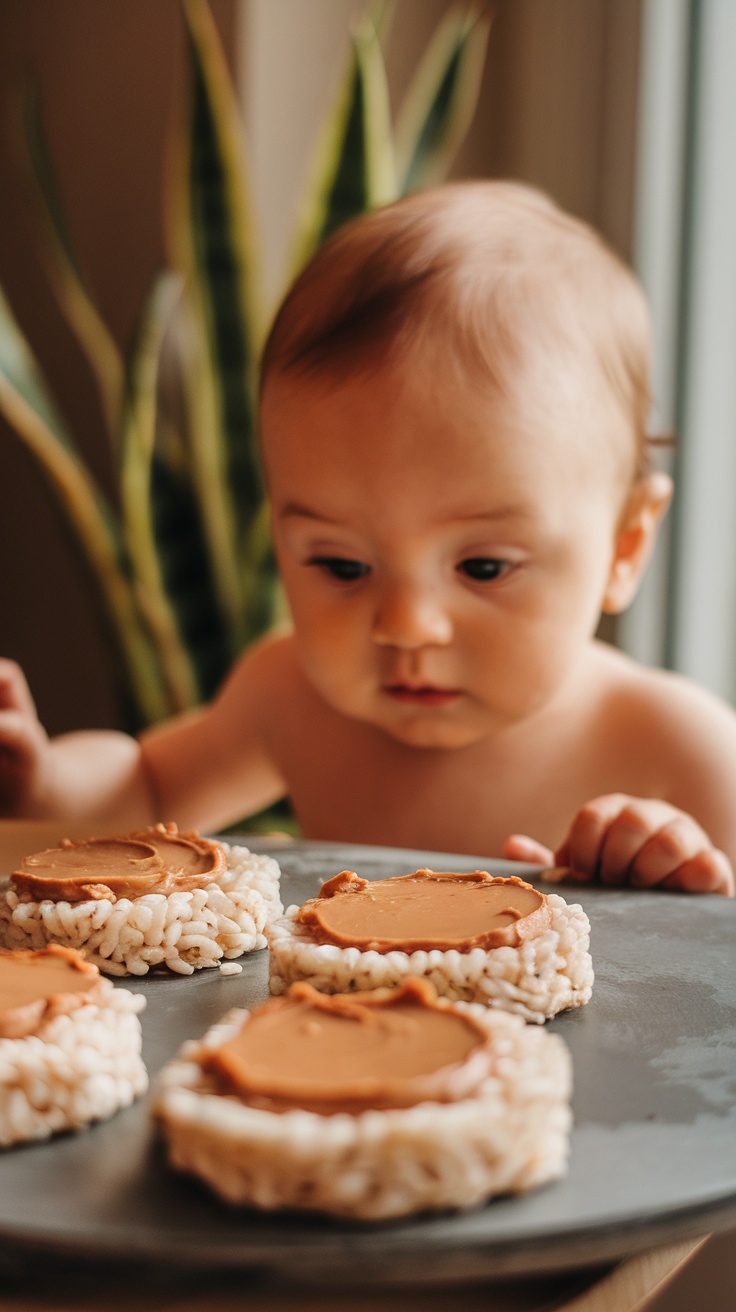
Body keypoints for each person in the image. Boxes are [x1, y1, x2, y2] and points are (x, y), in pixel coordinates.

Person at [2, 181, 735, 894]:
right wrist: (45, 783)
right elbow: (148, 784)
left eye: (483, 566)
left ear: (626, 546)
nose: (405, 624)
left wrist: (680, 880)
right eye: (343, 564)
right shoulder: (292, 697)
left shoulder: (679, 747)